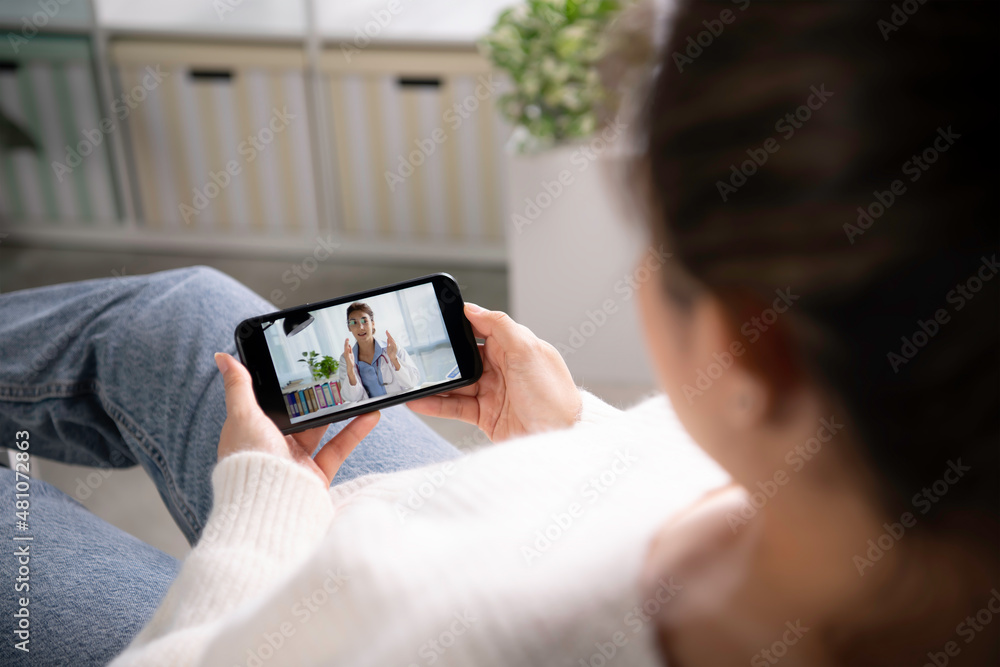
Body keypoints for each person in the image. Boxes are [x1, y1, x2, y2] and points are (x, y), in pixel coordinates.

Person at [0, 2, 996, 666]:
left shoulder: (463, 633)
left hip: (265, 620)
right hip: (536, 505)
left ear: (750, 347)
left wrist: (257, 520)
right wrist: (571, 442)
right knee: (193, 317)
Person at [337, 301, 420, 402]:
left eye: (364, 321)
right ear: (349, 328)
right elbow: (352, 398)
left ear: (372, 323)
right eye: (354, 322)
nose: (360, 327)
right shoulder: (345, 359)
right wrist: (350, 371)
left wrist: (394, 359)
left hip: (400, 406)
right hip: (373, 413)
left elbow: (412, 382)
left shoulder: (391, 347)